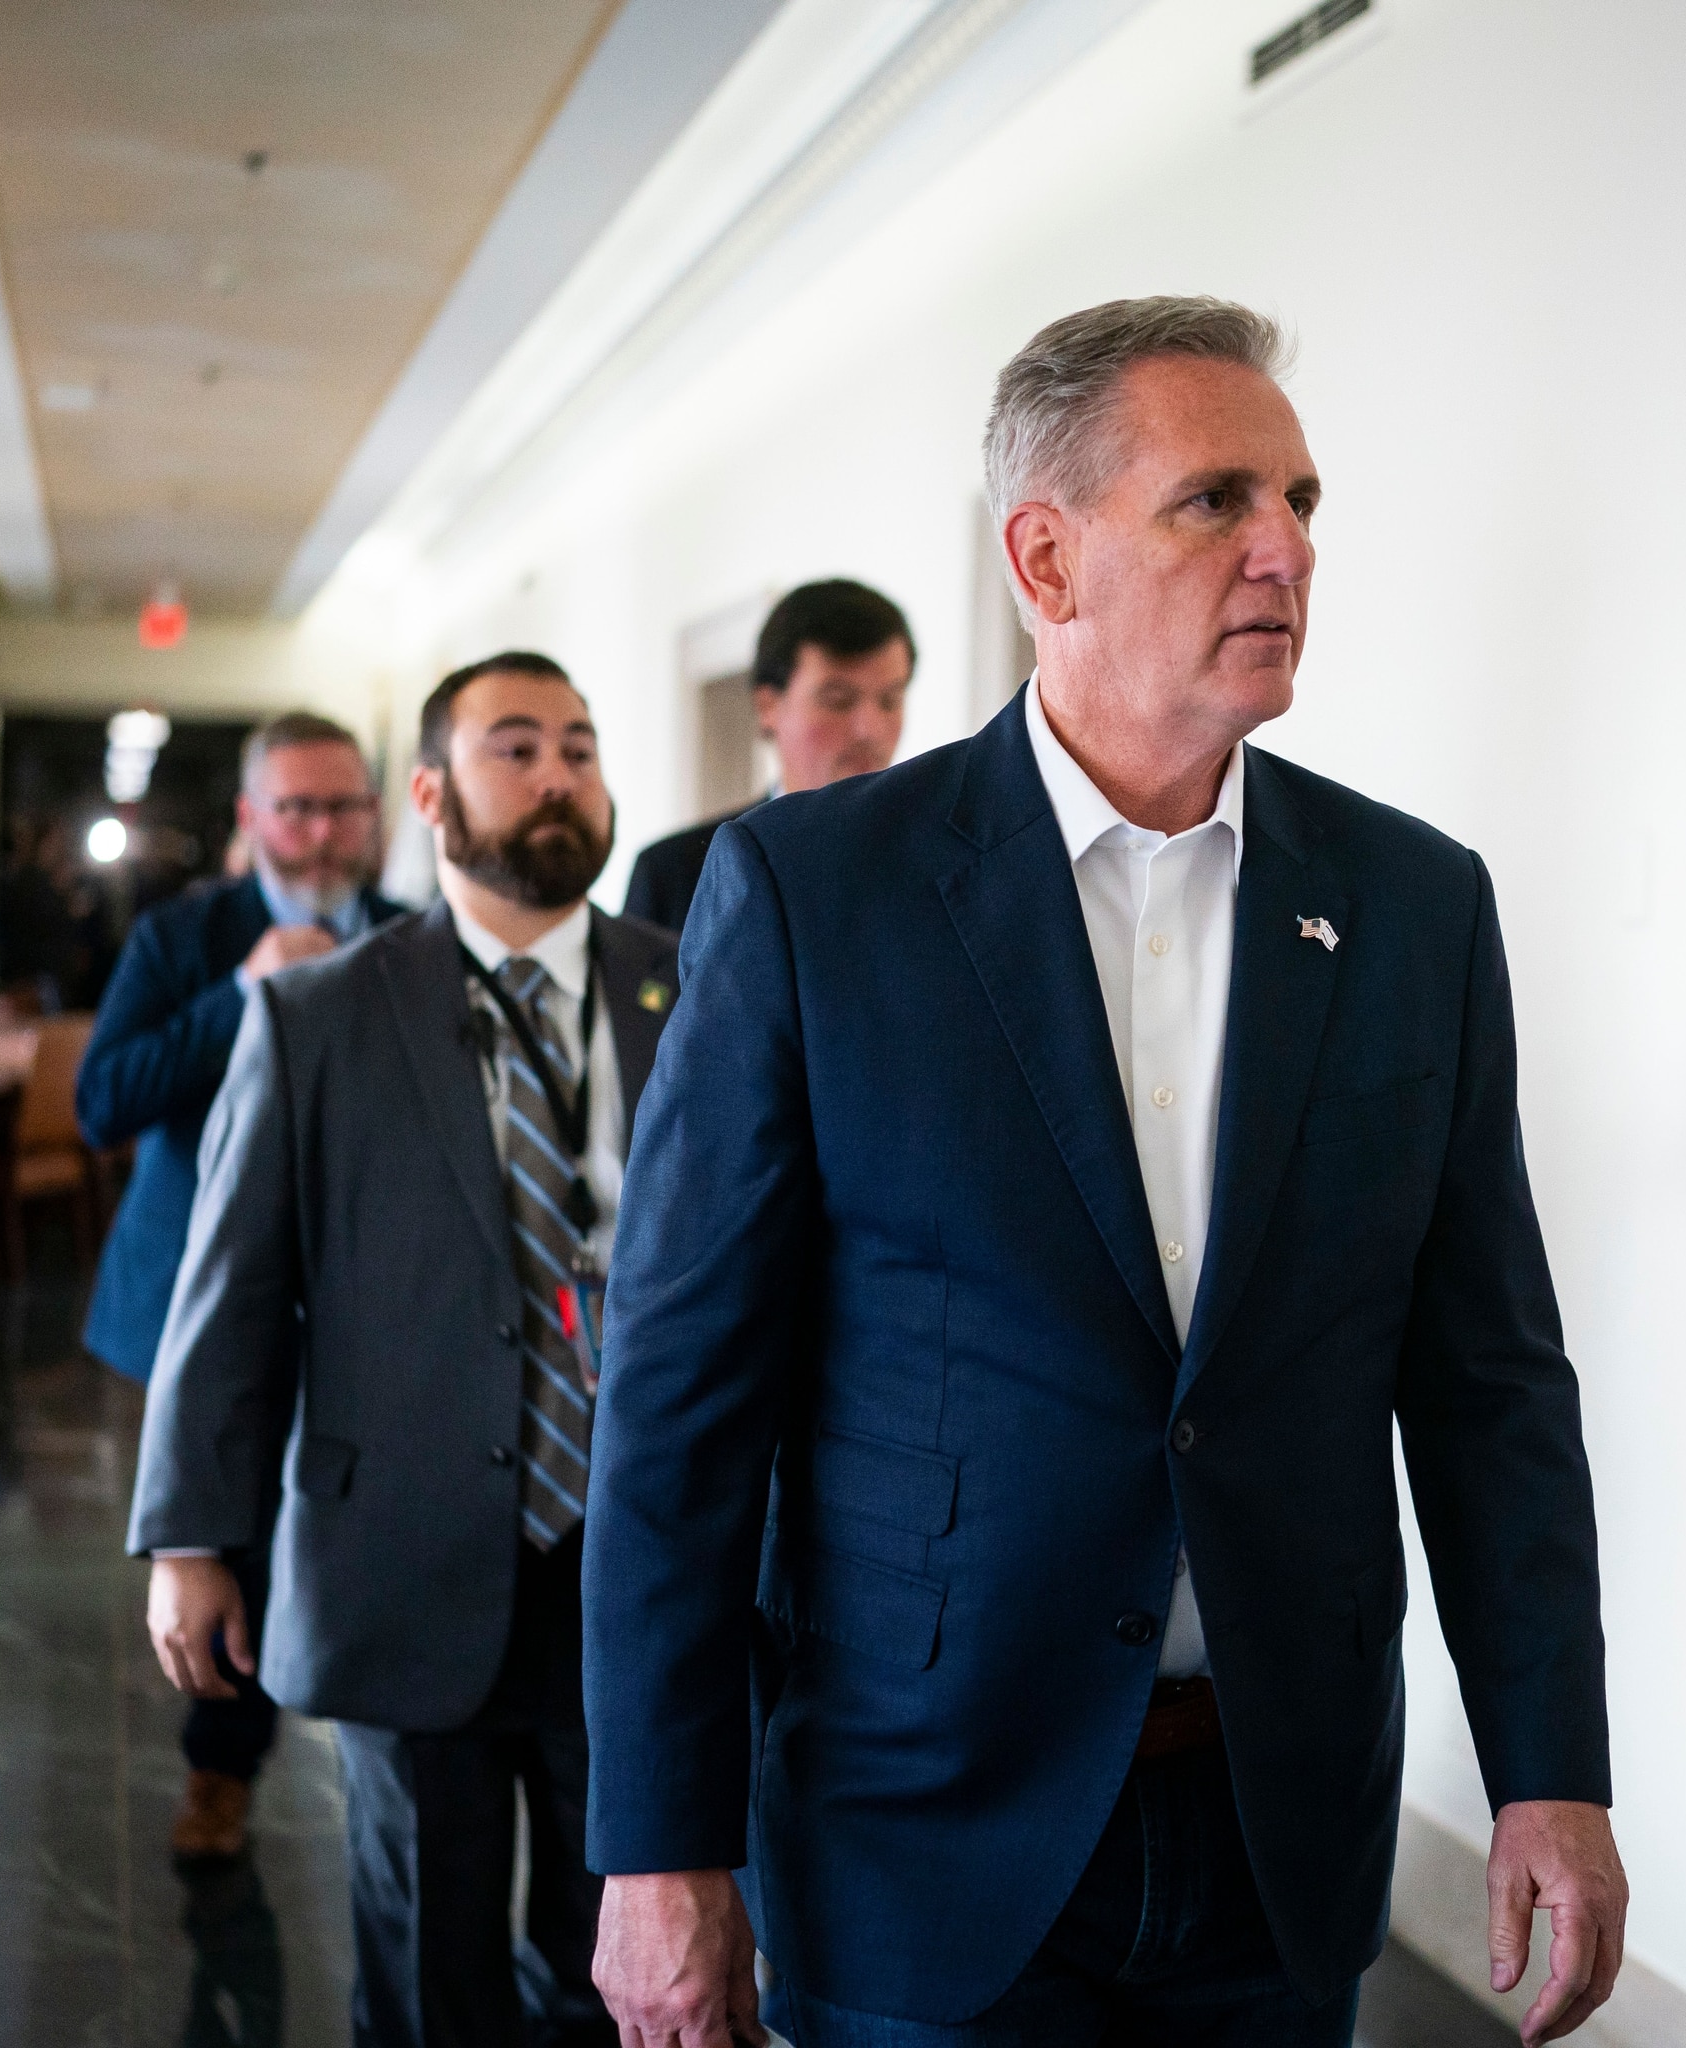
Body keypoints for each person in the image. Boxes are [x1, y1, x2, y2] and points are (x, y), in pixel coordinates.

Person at [584, 297, 1627, 2048]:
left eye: (1299, 498)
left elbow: (1489, 1385)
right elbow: (684, 1406)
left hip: (1271, 1826)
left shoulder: (1411, 907)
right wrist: (655, 1846)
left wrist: (1549, 1769)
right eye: (1214, 499)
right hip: (922, 1826)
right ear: (1046, 560)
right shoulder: (812, 896)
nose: (1285, 546)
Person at [128, 653, 679, 2048]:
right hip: (406, 1548)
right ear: (429, 794)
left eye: (580, 746)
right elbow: (232, 1292)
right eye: (516, 748)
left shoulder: (692, 987)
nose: (558, 774)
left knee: (621, 1956)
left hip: (641, 1557)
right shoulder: (315, 1016)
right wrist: (195, 1537)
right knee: (429, 1964)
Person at [78, 709, 403, 1861]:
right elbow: (103, 1098)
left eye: (343, 805)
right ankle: (221, 1770)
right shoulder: (186, 934)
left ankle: (377, 1771)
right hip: (199, 1295)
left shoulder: (411, 935)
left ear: (377, 811)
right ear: (250, 818)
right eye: (296, 807)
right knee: (225, 1533)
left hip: (362, 1298)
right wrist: (245, 994)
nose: (321, 832)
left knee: (335, 1529)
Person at [618, 578, 913, 932]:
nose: (871, 729)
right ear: (768, 706)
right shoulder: (675, 876)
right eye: (839, 700)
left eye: (890, 701)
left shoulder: (937, 858)